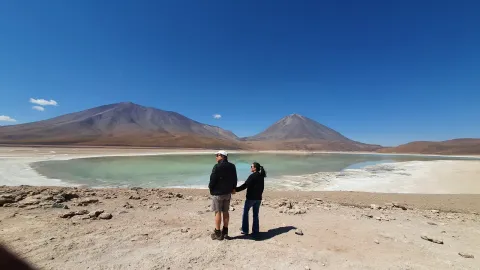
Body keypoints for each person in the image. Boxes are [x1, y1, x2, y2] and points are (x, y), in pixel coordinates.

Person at [208, 150, 237, 240]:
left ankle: (217, 233)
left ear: (222, 156)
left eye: (217, 155)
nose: (216, 157)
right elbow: (235, 178)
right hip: (227, 193)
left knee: (217, 212)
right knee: (226, 212)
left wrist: (210, 188)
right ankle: (225, 232)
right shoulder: (232, 166)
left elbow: (213, 179)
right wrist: (233, 188)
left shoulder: (217, 166)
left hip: (217, 193)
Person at [234, 162, 266, 236]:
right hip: (258, 198)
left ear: (255, 168)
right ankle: (255, 231)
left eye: (251, 166)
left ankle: (245, 230)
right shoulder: (261, 176)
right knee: (255, 215)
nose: (250, 168)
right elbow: (262, 187)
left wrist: (235, 190)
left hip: (251, 198)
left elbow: (245, 185)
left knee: (245, 213)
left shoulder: (252, 176)